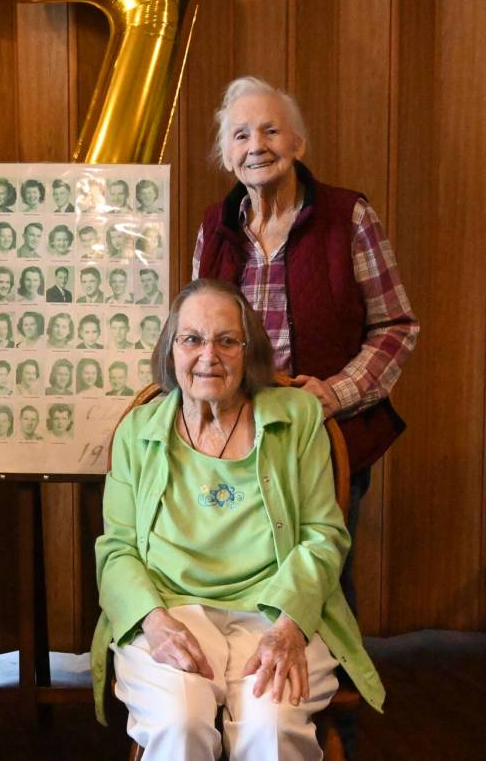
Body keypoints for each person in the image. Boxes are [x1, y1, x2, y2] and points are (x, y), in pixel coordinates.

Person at [91, 279, 384, 758]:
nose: (209, 354)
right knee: (178, 722)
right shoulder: (137, 432)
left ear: (249, 352)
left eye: (227, 340)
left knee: (271, 726)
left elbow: (323, 535)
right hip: (171, 610)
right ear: (171, 351)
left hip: (275, 611)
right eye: (192, 339)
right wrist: (155, 623)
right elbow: (117, 548)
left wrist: (289, 626)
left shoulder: (298, 418)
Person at [193, 76, 418, 613]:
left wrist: (336, 395)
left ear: (298, 144)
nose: (257, 146)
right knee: (241, 573)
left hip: (328, 434)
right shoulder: (213, 228)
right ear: (226, 155)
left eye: (272, 130)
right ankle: (250, 690)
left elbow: (396, 326)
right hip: (234, 438)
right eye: (241, 135)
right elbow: (196, 335)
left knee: (324, 576)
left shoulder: (348, 218)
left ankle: (334, 687)